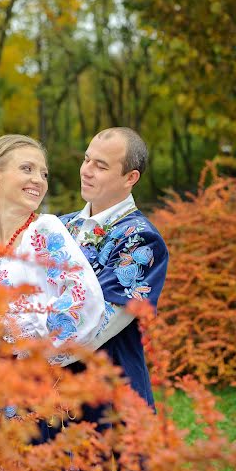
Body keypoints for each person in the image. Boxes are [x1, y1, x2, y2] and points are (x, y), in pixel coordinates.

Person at [0, 134, 107, 371]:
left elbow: (85, 297)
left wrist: (16, 335)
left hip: (30, 384)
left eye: (43, 174)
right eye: (27, 169)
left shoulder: (45, 230)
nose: (38, 180)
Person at [60, 127, 169, 409]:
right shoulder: (60, 227)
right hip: (55, 395)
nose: (86, 170)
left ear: (130, 178)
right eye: (87, 159)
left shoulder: (141, 240)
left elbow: (99, 323)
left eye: (101, 166)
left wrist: (26, 350)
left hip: (110, 397)